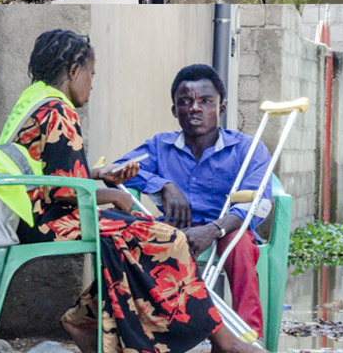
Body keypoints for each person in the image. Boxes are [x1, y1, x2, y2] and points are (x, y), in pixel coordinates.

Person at [4, 30, 258, 353]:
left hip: (33, 217)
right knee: (169, 238)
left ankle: (82, 320)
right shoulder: (59, 111)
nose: (92, 84)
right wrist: (114, 195)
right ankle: (223, 341)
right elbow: (64, 189)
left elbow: (52, 174)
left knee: (126, 239)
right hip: (48, 222)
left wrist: (96, 174)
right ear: (72, 71)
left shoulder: (36, 99)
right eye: (91, 75)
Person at [117, 64, 272, 340]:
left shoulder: (248, 149)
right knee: (134, 239)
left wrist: (214, 229)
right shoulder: (159, 146)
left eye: (206, 101)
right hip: (176, 228)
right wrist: (164, 185)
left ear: (220, 109)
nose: (195, 108)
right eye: (185, 102)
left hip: (227, 228)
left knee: (239, 244)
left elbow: (259, 202)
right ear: (175, 111)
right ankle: (150, 333)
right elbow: (119, 169)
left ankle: (248, 336)